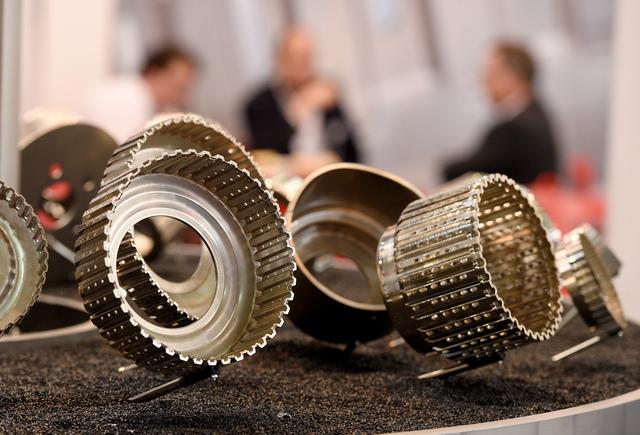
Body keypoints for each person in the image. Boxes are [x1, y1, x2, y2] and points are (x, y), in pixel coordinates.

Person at [244, 27, 360, 177]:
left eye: (309, 56)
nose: (305, 63)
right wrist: (295, 113)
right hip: (287, 181)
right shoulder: (259, 104)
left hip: (331, 177)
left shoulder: (326, 90)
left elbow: (352, 152)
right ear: (281, 59)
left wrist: (333, 160)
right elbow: (266, 158)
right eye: (297, 57)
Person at [443, 41, 558, 185]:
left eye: (489, 74)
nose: (483, 82)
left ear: (511, 77)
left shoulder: (512, 130)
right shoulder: (538, 111)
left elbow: (457, 171)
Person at [81, 46, 197, 143]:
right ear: (154, 73)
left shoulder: (160, 107)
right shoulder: (121, 98)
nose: (181, 98)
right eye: (179, 88)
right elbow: (120, 151)